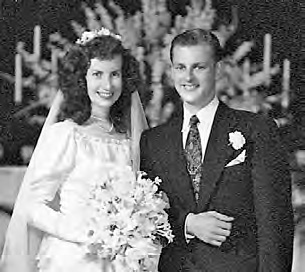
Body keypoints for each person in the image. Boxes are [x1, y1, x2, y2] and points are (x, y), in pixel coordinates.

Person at [140, 28, 294, 271]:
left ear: (218, 70)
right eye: (180, 67)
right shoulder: (152, 141)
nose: (188, 77)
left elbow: (276, 224)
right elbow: (146, 216)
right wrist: (187, 224)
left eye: (198, 67)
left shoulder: (256, 130)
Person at [0, 28, 147, 272]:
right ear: (82, 78)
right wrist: (85, 233)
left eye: (115, 74)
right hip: (76, 259)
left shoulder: (132, 140)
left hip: (124, 261)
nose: (107, 84)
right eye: (97, 74)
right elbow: (33, 206)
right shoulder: (67, 135)